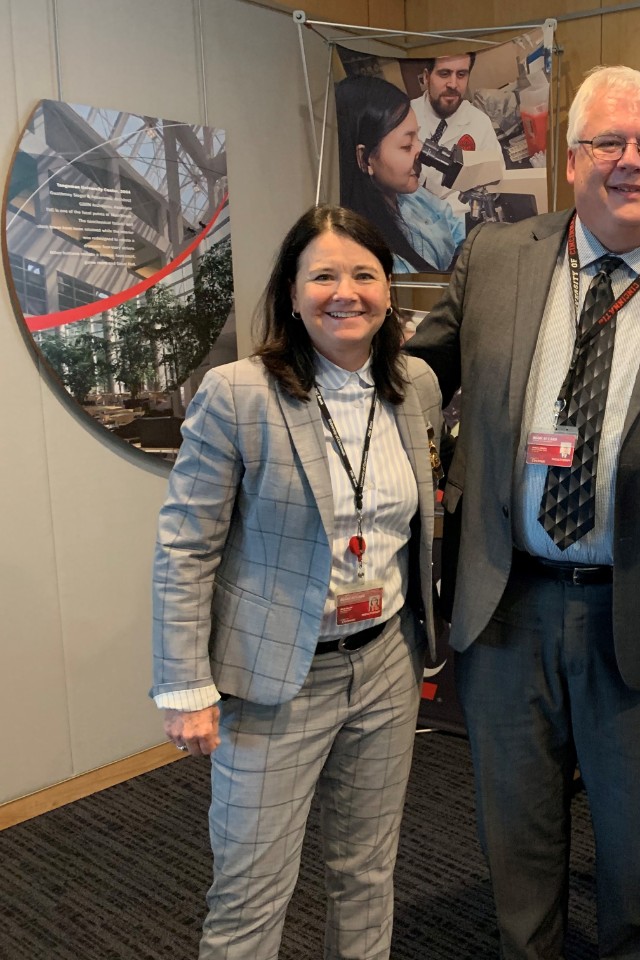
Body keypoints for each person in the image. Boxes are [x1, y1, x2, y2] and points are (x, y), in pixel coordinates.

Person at [406, 65, 640, 960]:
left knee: (634, 845)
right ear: (572, 160)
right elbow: (420, 371)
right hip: (506, 600)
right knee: (515, 834)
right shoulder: (494, 257)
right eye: (608, 141)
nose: (630, 160)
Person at [150, 204, 443, 959]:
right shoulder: (238, 393)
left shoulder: (414, 384)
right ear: (291, 291)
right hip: (274, 677)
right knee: (251, 893)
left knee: (367, 874)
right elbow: (185, 548)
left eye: (364, 275)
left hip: (385, 664)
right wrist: (184, 685)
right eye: (323, 276)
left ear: (388, 290)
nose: (345, 293)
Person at [336, 74, 465, 272]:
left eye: (417, 137)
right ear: (364, 159)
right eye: (406, 145)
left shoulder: (411, 195)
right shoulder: (374, 260)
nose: (420, 150)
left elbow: (454, 227)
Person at [410, 53, 500, 199]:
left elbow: (494, 184)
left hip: (462, 212)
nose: (453, 84)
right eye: (444, 74)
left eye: (461, 74)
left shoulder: (480, 123)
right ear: (426, 77)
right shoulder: (403, 118)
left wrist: (446, 208)